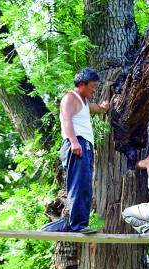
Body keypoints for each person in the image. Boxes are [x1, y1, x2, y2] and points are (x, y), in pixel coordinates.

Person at [60, 67, 109, 234]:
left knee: (85, 186)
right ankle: (77, 226)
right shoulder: (70, 98)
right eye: (93, 86)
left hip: (84, 146)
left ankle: (81, 223)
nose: (94, 89)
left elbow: (96, 108)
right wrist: (74, 141)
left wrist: (103, 108)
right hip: (76, 143)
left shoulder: (84, 102)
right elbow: (67, 120)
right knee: (78, 185)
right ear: (81, 84)